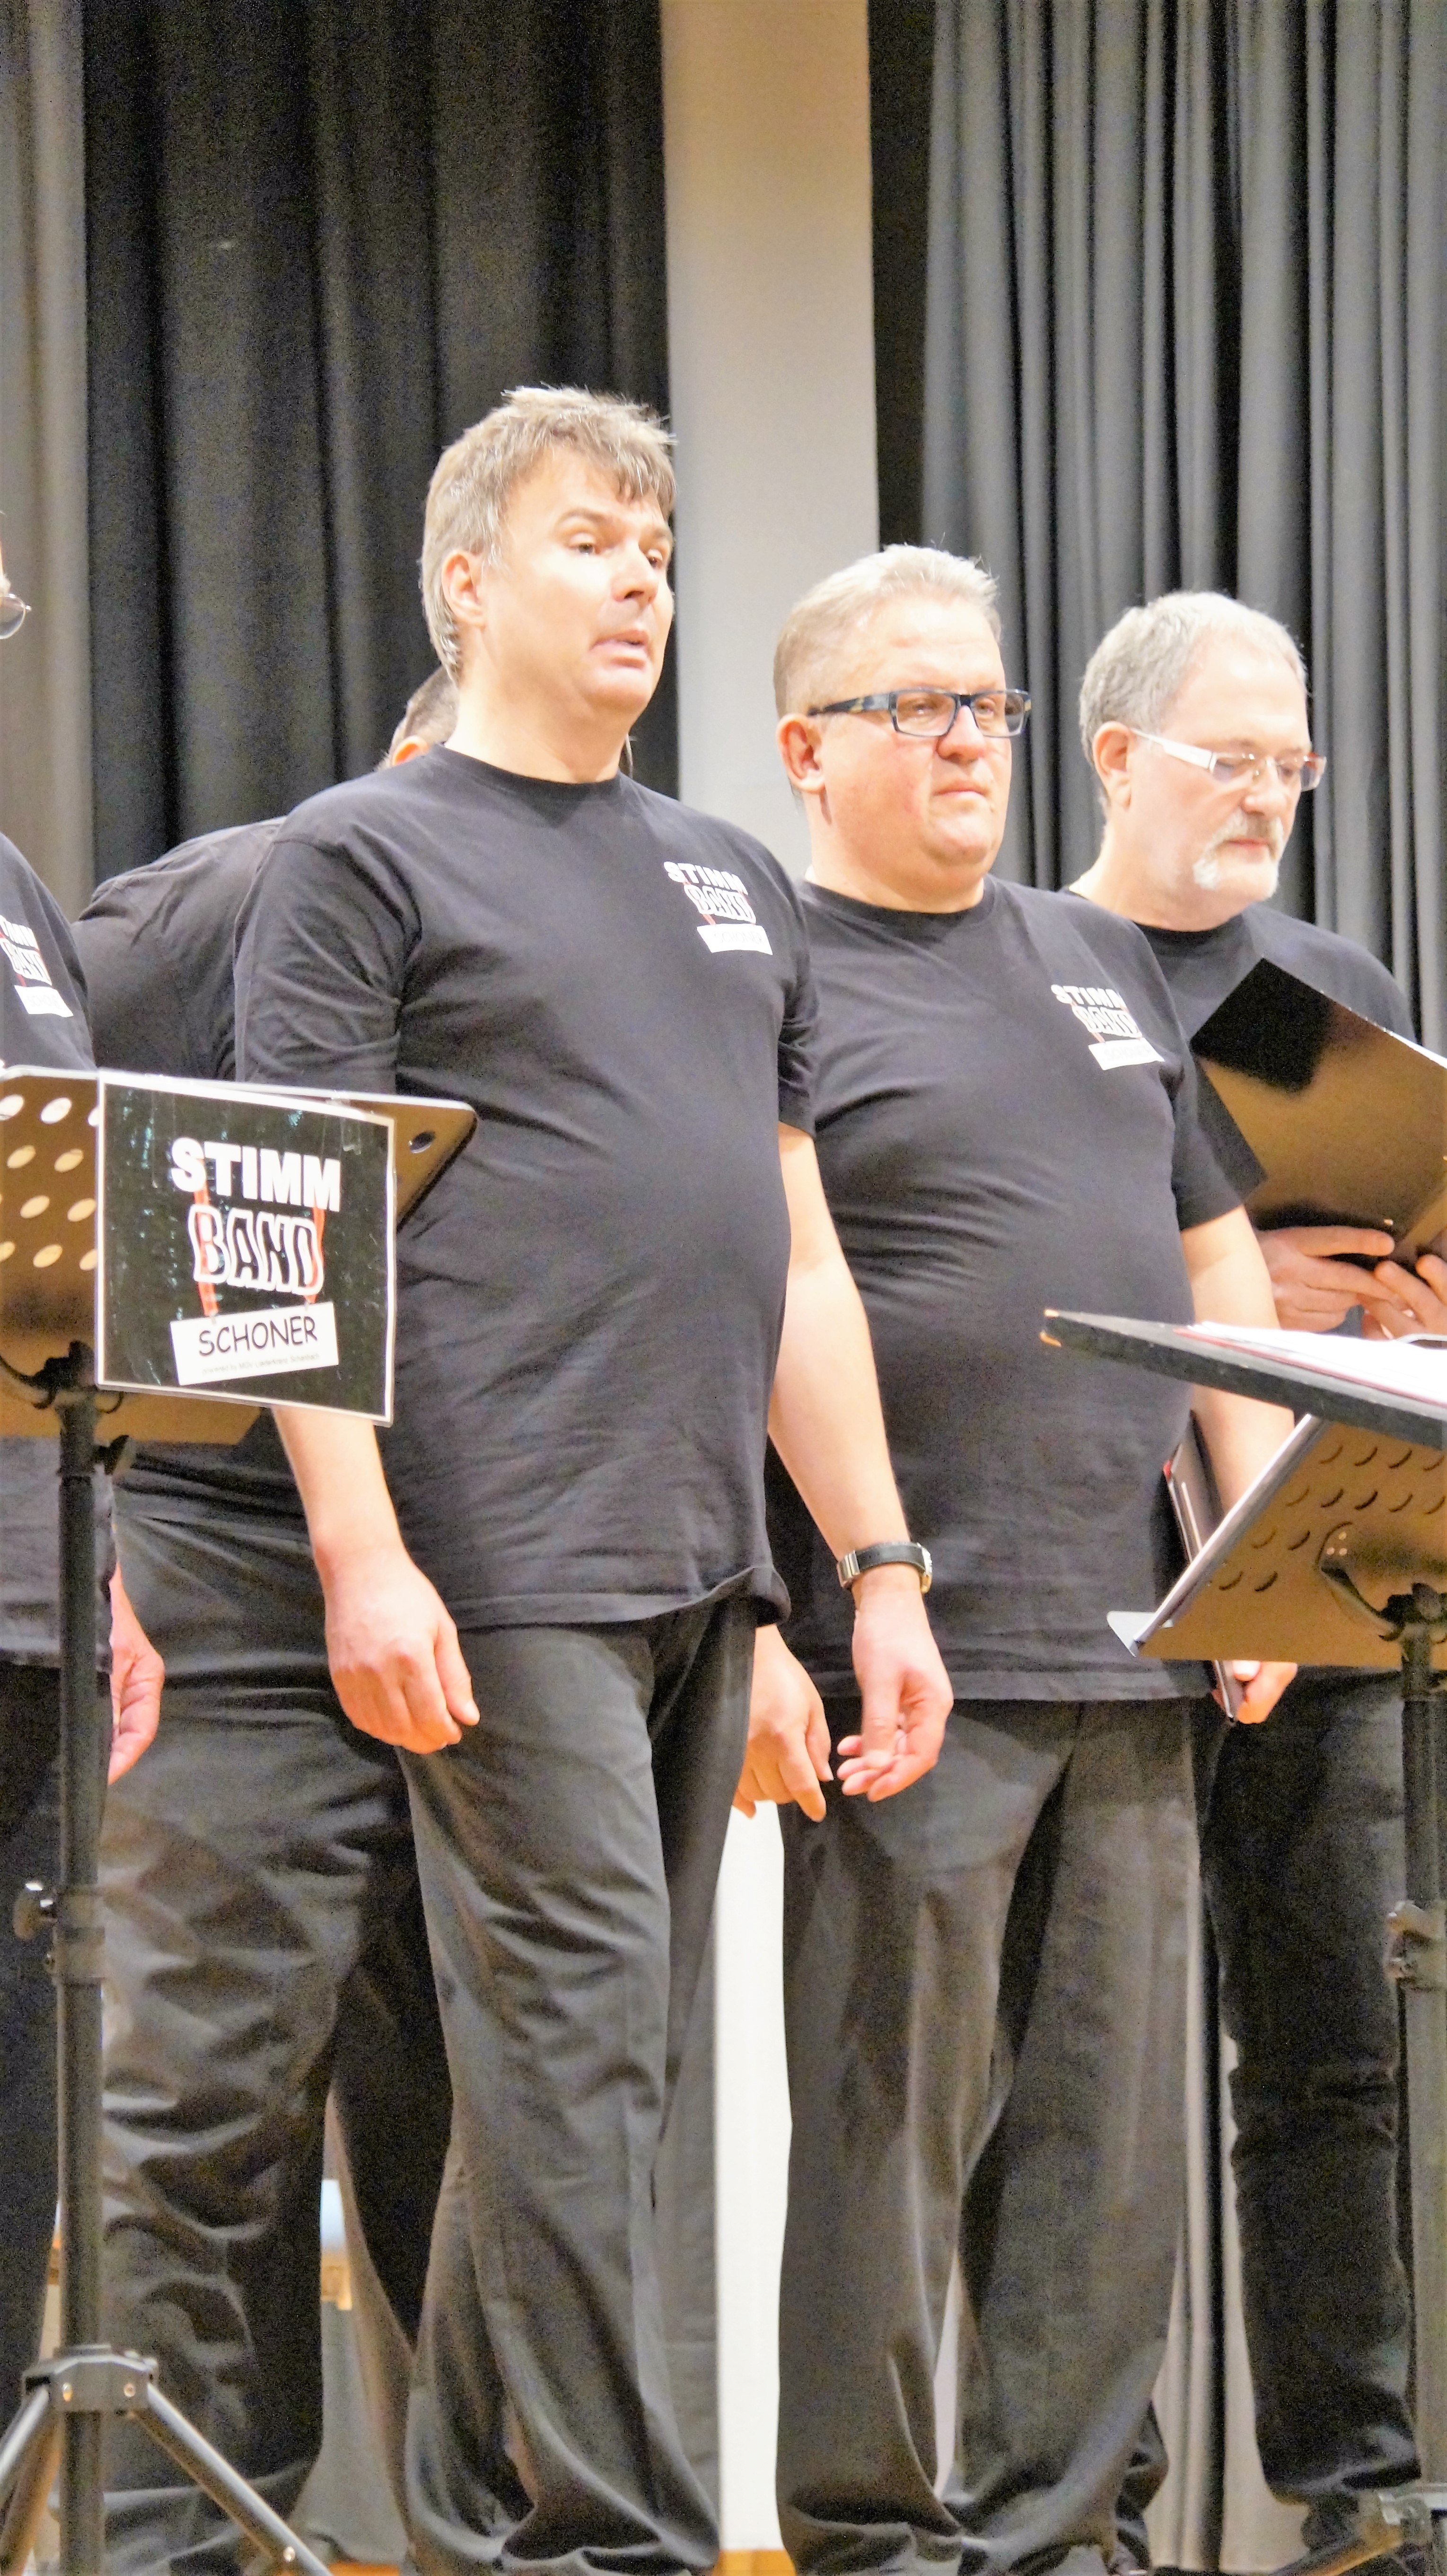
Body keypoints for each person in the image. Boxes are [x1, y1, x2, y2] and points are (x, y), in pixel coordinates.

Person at [233, 386, 952, 2576]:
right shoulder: (361, 856)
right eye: (586, 540)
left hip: (701, 1564)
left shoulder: (731, 880)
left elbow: (798, 1253)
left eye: (657, 546)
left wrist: (876, 1570)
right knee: (577, 2050)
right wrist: (359, 1551)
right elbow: (290, 1231)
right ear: (466, 583)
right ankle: (609, 2546)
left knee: (595, 2057)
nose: (640, 576)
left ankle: (486, 2525)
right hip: (496, 1545)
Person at [755, 543, 1296, 2576]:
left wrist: (1258, 1545)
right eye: (916, 705)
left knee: (1103, 2146)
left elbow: (1213, 1261)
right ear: (808, 749)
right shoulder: (773, 971)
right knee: (890, 2131)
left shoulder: (1092, 957)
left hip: (1133, 1641)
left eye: (986, 702)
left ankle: (1063, 2540)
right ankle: (871, 2539)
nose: (969, 738)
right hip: (915, 1652)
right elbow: (745, 1296)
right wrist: (791, 1607)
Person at [71, 666, 458, 2576]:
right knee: (208, 2101)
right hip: (227, 1563)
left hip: (508, 1579)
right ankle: (172, 2548)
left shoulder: (609, 923)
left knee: (497, 2133)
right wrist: (89, 1512)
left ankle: (482, 2539)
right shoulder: (207, 908)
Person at [1070, 590, 1421, 2556]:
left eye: (1295, 764)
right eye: (1233, 758)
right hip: (1094, 1575)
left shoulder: (1316, 988)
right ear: (1116, 758)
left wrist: (1392, 1293)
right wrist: (1229, 1284)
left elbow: (1383, 1252)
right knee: (1085, 2073)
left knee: (1336, 2057)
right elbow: (966, 1256)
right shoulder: (1025, 968)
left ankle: (1354, 2493)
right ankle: (1084, 2502)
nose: (1271, 795)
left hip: (1323, 1568)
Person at [0, 539, 162, 2425]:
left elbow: (68, 1261)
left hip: (34, 1607)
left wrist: (101, 1567)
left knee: (15, 2138)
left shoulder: (18, 898)